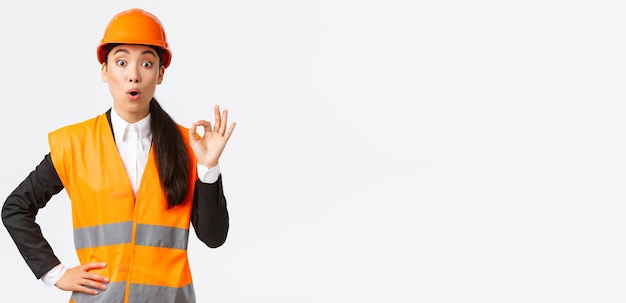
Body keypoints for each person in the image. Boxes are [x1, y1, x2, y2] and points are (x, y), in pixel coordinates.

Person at [1, 8, 236, 303]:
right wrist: (56, 273)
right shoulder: (75, 144)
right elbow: (15, 208)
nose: (133, 75)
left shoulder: (189, 146)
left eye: (147, 64)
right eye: (121, 62)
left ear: (161, 73)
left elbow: (214, 238)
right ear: (105, 71)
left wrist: (208, 166)